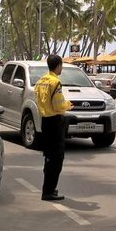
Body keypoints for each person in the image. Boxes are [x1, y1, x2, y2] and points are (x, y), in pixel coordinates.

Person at [34, 55, 73, 201]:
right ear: (58, 66)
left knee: (49, 157)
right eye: (61, 66)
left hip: (45, 121)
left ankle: (49, 188)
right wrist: (67, 105)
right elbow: (58, 105)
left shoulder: (41, 81)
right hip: (55, 122)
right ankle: (48, 191)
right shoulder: (55, 82)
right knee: (56, 158)